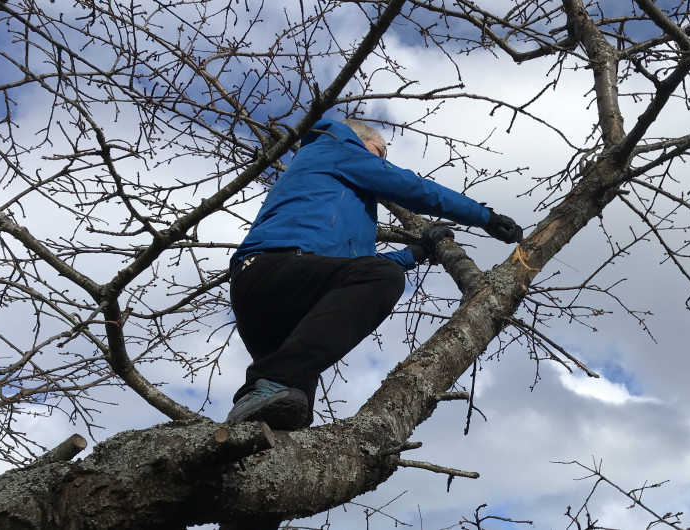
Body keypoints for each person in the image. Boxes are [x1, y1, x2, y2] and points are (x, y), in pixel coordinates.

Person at [224, 118, 523, 432]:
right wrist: (486, 217)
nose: (381, 160)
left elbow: (355, 266)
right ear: (358, 139)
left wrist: (417, 253)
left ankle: (249, 430)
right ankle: (268, 381)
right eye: (379, 152)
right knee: (382, 278)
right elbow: (412, 187)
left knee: (286, 409)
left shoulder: (338, 194)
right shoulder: (338, 147)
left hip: (280, 299)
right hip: (273, 269)